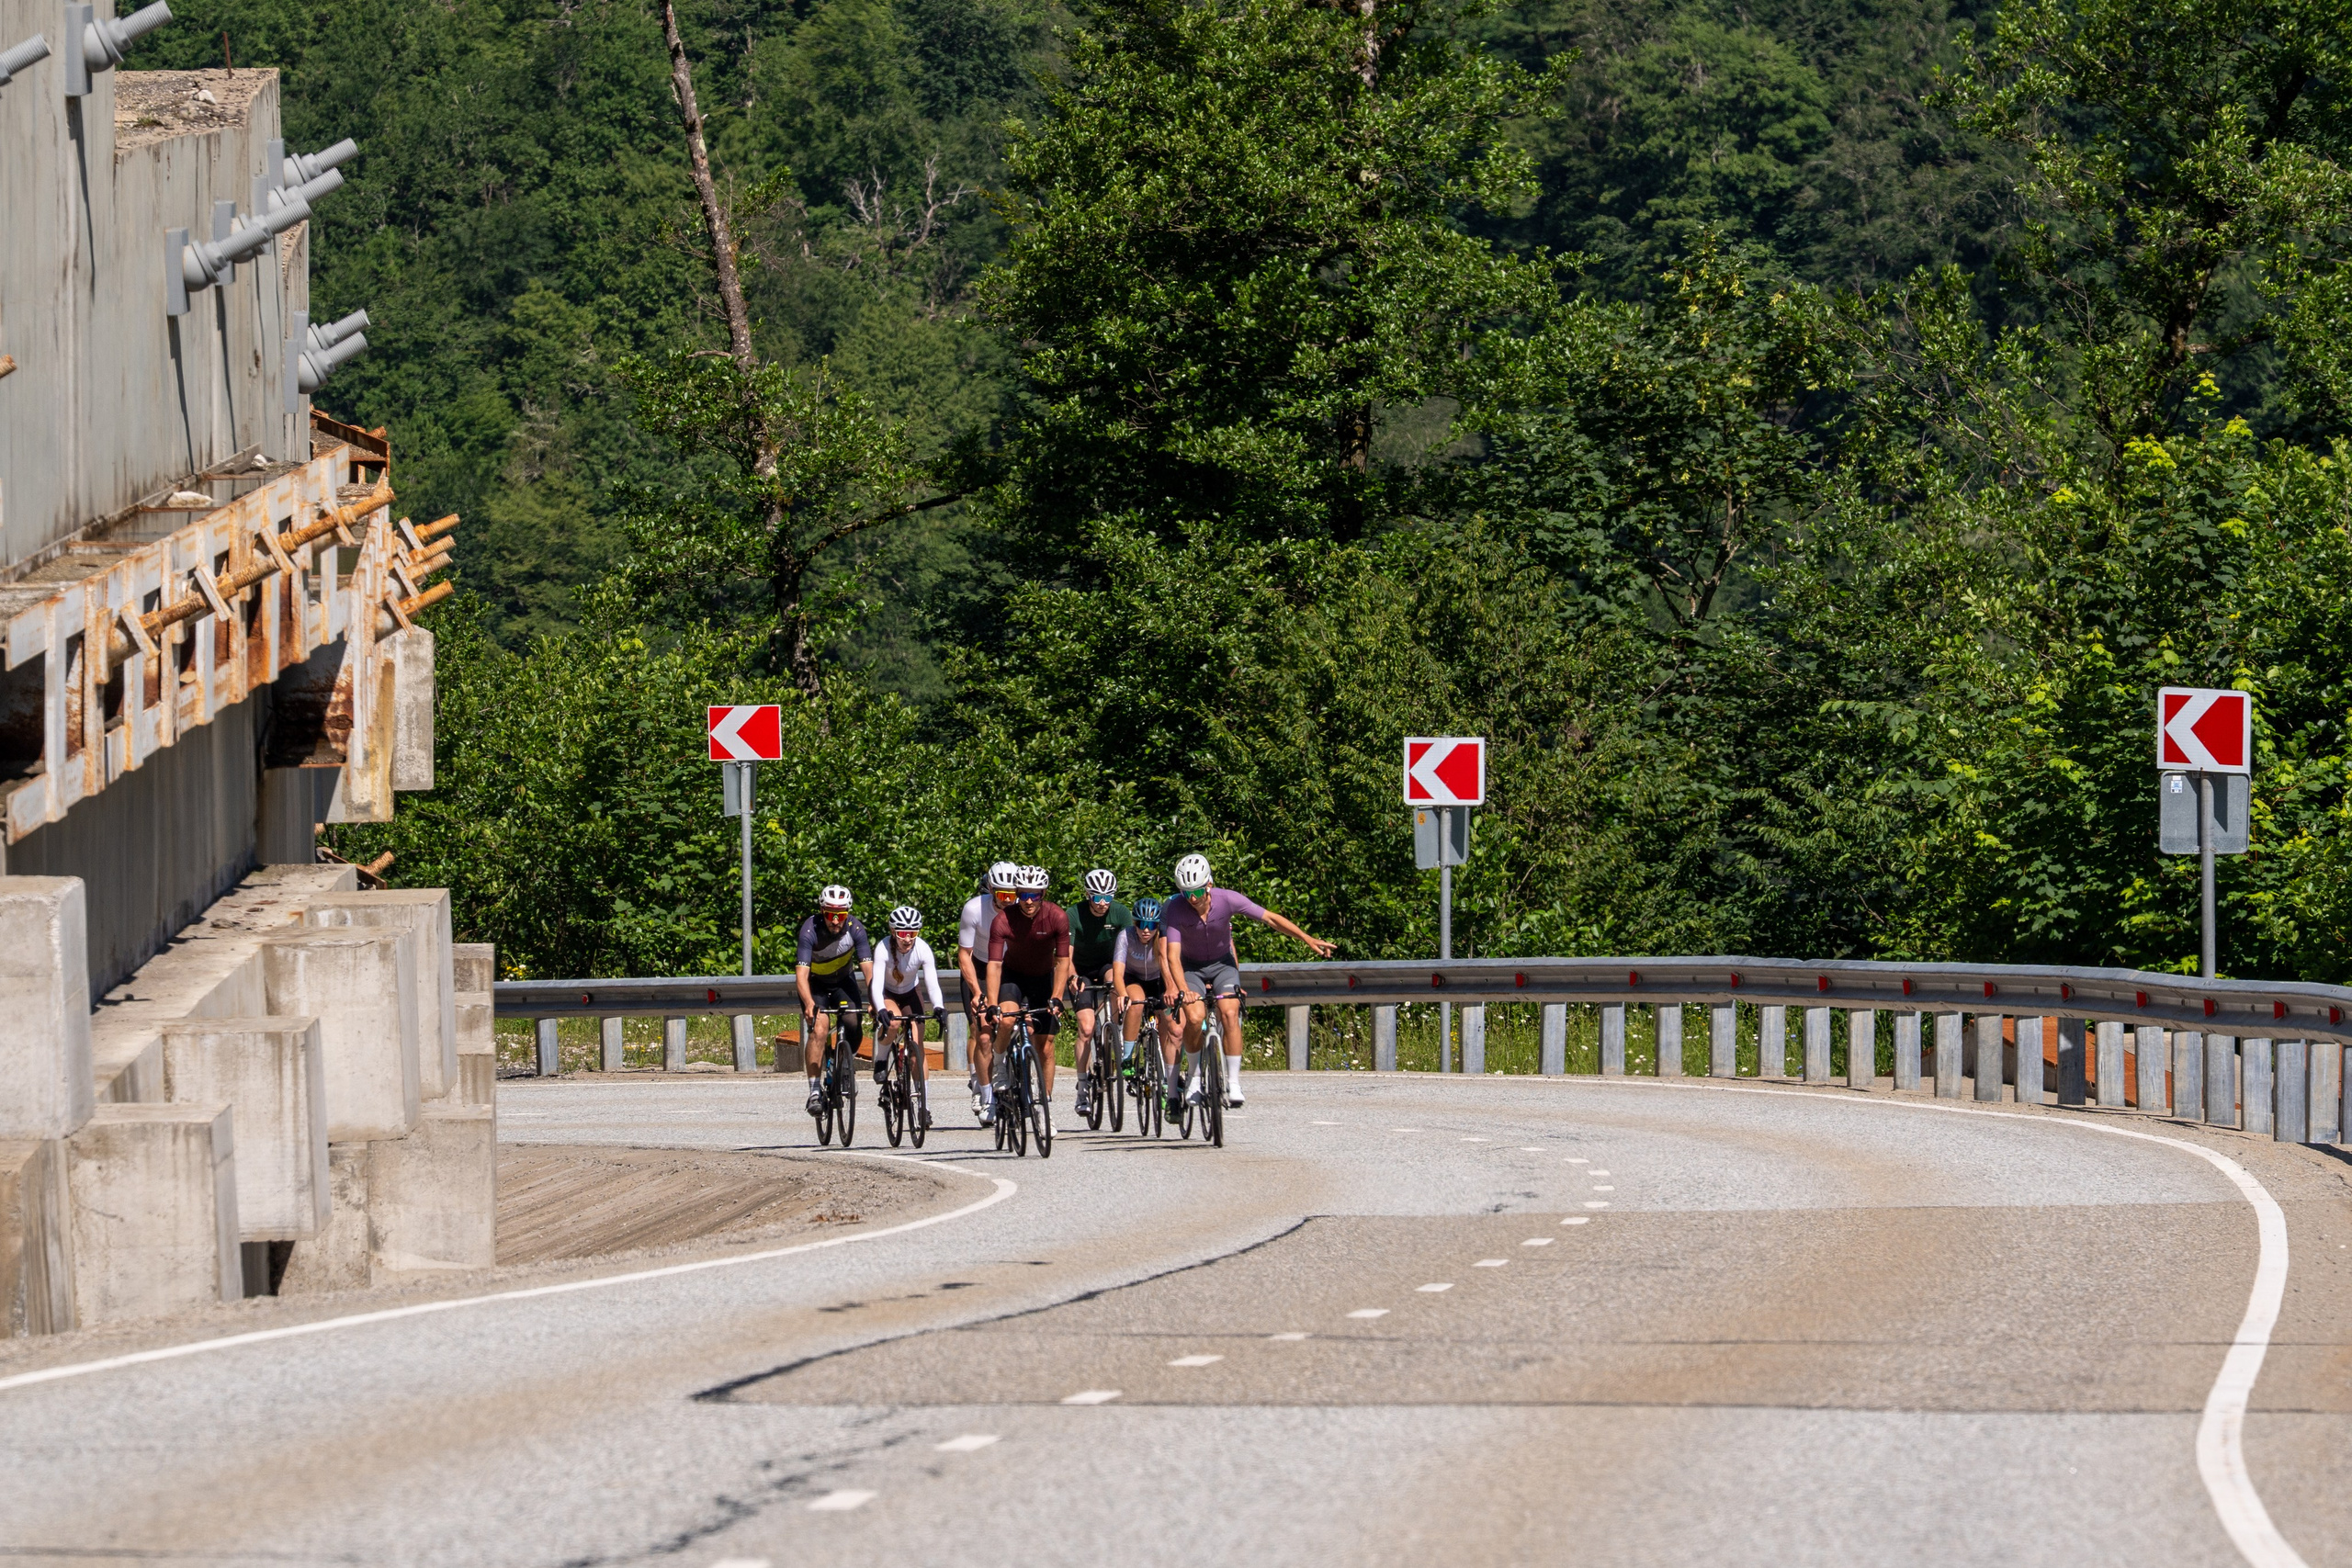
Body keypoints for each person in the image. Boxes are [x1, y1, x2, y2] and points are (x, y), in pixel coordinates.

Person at [1163, 852, 1332, 1109]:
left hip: (1223, 965)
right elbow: (1172, 956)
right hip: (1192, 969)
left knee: (1230, 1012)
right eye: (1187, 893)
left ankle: (1234, 1082)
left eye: (1197, 891)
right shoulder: (1175, 908)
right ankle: (1195, 1077)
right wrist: (1183, 990)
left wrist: (1306, 938)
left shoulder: (1227, 899)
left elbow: (1270, 919)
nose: (1193, 898)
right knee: (1195, 1017)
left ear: (1208, 883)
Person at [984, 863, 1072, 1121]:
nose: (1029, 901)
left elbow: (1063, 961)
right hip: (1013, 977)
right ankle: (1000, 1064)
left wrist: (1056, 996)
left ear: (1043, 894)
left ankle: (1044, 1108)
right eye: (1023, 895)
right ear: (1017, 894)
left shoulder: (1057, 917)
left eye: (1035, 895)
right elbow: (995, 964)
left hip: (1043, 979)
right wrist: (992, 1004)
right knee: (1008, 1018)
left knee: (1046, 1047)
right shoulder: (1003, 919)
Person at [795, 885, 874, 1118]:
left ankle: (844, 1065)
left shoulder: (856, 929)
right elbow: (801, 975)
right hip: (816, 984)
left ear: (848, 913)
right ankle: (814, 1091)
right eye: (830, 914)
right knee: (820, 1028)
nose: (835, 921)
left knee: (852, 1023)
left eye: (841, 915)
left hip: (843, 982)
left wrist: (875, 999)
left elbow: (868, 970)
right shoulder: (810, 929)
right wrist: (809, 1003)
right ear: (822, 911)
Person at [1065, 868, 1132, 1121]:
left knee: (1115, 981)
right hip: (1080, 969)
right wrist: (1071, 977)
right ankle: (1082, 1087)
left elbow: (1125, 950)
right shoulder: (1074, 914)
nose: (1103, 903)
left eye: (1108, 897)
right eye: (1097, 897)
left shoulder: (1120, 913)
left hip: (1108, 965)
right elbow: (1065, 956)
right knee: (1085, 1027)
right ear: (1087, 895)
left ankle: (1116, 1030)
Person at [871, 904, 943, 1130]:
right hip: (888, 993)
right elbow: (876, 983)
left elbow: (932, 982)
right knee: (892, 1023)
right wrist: (880, 1007)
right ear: (894, 932)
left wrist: (939, 1006)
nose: (908, 938)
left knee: (917, 1049)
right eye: (903, 933)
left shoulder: (922, 949)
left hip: (911, 993)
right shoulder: (883, 948)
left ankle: (924, 1106)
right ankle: (881, 1059)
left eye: (913, 933)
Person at [957, 862, 1018, 1123]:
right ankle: (984, 1094)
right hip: (978, 969)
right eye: (1002, 895)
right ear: (991, 889)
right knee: (982, 1034)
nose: (1007, 901)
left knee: (1014, 1021)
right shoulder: (974, 909)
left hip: (1007, 967)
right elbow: (964, 955)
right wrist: (976, 991)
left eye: (1012, 895)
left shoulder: (1024, 909)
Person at [1111, 895, 1179, 1113]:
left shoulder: (1163, 939)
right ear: (1134, 923)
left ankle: (1170, 1078)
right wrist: (1122, 994)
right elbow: (1118, 974)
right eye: (1141, 924)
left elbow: (1174, 966)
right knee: (1136, 1002)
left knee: (1169, 1019)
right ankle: (1128, 1057)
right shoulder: (1126, 936)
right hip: (1133, 978)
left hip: (1158, 980)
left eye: (1151, 925)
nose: (1146, 930)